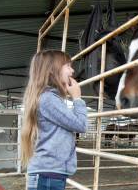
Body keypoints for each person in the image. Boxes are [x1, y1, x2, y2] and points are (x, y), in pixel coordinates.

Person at [21, 50, 88, 190]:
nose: (73, 70)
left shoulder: (49, 98)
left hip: (49, 175)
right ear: (52, 70)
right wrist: (77, 98)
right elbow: (81, 125)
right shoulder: (48, 99)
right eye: (68, 66)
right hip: (48, 177)